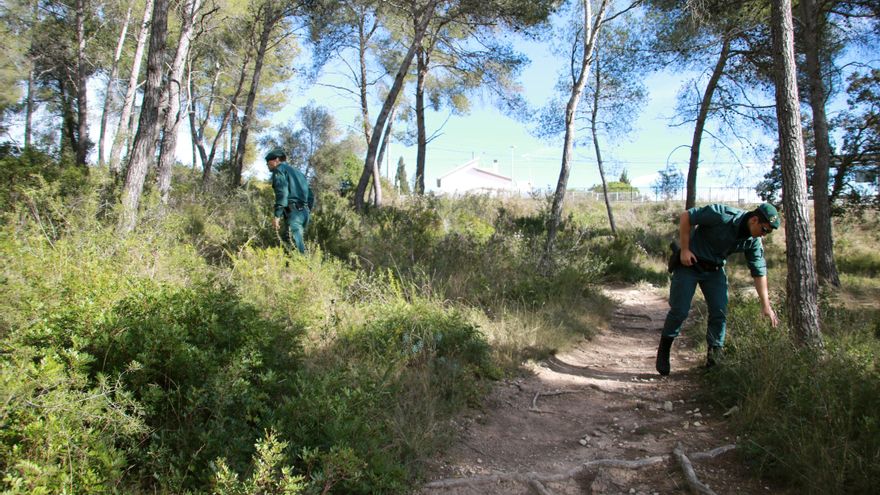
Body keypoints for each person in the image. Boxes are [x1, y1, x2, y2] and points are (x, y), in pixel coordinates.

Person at [655, 203, 781, 376]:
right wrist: (684, 250)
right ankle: (664, 350)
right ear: (754, 220)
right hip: (689, 265)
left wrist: (766, 305)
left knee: (719, 312)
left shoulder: (753, 242)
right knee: (680, 310)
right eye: (765, 230)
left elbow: (759, 272)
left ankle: (714, 361)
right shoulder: (722, 215)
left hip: (714, 271)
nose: (764, 235)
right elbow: (686, 216)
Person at [265, 147, 314, 254]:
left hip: (294, 213)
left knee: (294, 247)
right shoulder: (298, 173)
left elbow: (282, 192)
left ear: (276, 160)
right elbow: (310, 196)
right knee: (289, 244)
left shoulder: (279, 170)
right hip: (304, 213)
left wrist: (277, 215)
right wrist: (305, 211)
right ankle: (289, 269)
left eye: (268, 161)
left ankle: (303, 269)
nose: (267, 164)